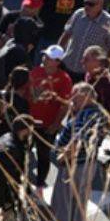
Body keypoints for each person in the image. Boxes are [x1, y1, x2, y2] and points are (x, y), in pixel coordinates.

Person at [51, 83, 104, 221]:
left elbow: (79, 140)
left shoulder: (86, 115)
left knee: (64, 204)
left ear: (86, 97)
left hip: (74, 166)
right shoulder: (96, 112)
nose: (71, 99)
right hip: (87, 164)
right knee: (79, 202)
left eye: (75, 96)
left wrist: (63, 155)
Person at [29, 45, 73, 190]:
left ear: (58, 62)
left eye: (50, 58)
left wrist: (55, 124)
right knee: (26, 152)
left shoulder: (64, 79)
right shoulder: (36, 72)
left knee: (43, 155)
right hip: (30, 122)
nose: (45, 59)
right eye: (45, 56)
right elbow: (29, 94)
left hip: (48, 125)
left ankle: (40, 185)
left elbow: (65, 105)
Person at [58, 0, 110, 80]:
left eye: (91, 4)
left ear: (100, 5)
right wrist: (57, 55)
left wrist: (106, 69)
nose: (87, 6)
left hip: (88, 73)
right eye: (85, 3)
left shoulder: (109, 22)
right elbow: (66, 34)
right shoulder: (78, 14)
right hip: (68, 64)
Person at [82, 45, 110, 123]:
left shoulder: (105, 82)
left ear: (98, 62)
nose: (82, 61)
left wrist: (106, 127)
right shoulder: (89, 74)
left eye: (86, 59)